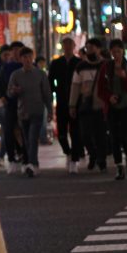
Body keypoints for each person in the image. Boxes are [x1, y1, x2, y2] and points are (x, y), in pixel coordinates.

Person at [96, 39, 127, 181]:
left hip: (126, 106)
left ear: (123, 51)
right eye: (114, 51)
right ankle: (119, 167)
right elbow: (100, 88)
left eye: (119, 51)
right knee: (114, 137)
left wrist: (125, 78)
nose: (116, 54)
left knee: (126, 136)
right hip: (112, 107)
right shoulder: (105, 68)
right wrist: (109, 97)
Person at [7, 46, 51, 177]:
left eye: (29, 57)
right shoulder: (16, 75)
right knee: (27, 140)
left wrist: (50, 110)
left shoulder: (40, 74)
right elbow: (9, 93)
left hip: (37, 111)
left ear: (33, 57)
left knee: (32, 138)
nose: (27, 59)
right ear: (20, 59)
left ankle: (31, 164)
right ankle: (35, 164)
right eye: (24, 57)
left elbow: (47, 94)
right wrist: (14, 91)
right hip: (22, 112)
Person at [69, 38, 107, 172]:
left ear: (99, 49)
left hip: (101, 105)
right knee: (85, 133)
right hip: (85, 104)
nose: (89, 50)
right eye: (87, 48)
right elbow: (75, 86)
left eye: (92, 48)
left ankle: (101, 159)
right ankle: (93, 154)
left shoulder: (106, 65)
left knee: (100, 133)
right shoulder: (80, 67)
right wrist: (72, 105)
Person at [50, 37, 82, 174]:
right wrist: (54, 92)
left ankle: (74, 159)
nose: (68, 47)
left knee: (75, 131)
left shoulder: (79, 63)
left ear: (74, 46)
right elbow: (50, 81)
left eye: (70, 44)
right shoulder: (56, 63)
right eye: (65, 44)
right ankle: (67, 152)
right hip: (62, 101)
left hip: (76, 102)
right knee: (61, 132)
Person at [0, 41, 26, 173]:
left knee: (25, 131)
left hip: (25, 104)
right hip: (10, 104)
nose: (15, 52)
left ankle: (26, 158)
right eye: (13, 50)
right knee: (8, 130)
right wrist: (2, 96)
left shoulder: (26, 65)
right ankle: (12, 159)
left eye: (18, 50)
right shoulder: (6, 67)